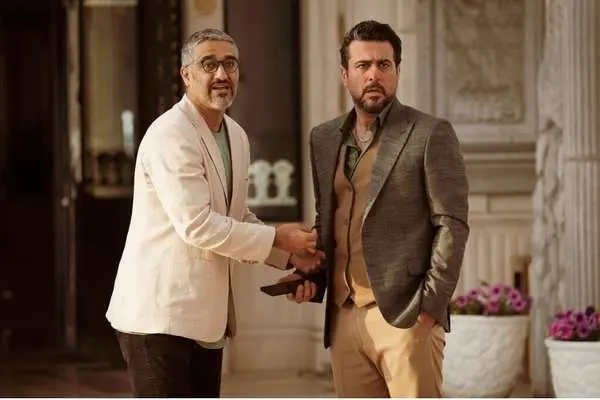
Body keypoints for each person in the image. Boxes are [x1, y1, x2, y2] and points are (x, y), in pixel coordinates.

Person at [106, 28, 321, 398]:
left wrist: (290, 256)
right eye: (209, 64)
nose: (222, 74)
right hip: (159, 319)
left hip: (205, 321)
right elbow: (198, 225)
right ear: (186, 75)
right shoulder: (170, 134)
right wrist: (277, 237)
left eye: (230, 64)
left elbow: (234, 214)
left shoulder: (235, 135)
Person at [281, 20, 470, 397]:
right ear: (345, 74)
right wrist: (311, 276)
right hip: (344, 318)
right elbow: (330, 221)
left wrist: (428, 308)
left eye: (384, 65)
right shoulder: (324, 138)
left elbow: (452, 224)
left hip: (406, 318)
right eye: (363, 65)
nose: (373, 75)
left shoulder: (429, 133)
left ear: (397, 71)